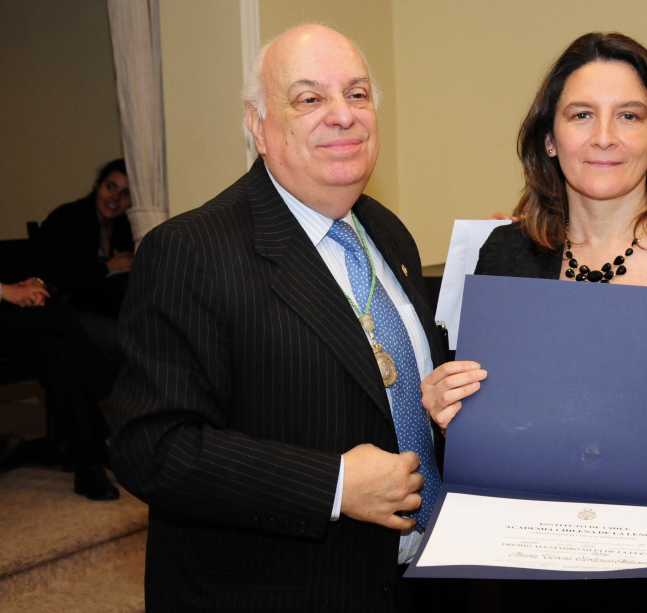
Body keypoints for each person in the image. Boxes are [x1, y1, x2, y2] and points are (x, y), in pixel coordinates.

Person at [421, 32, 647, 608]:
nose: (603, 137)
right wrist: (451, 412)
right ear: (549, 139)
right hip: (533, 577)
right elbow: (490, 436)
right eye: (580, 115)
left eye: (628, 115)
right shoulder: (505, 255)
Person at [111, 24, 450, 611]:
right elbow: (151, 448)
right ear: (257, 125)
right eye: (309, 98)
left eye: (358, 94)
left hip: (415, 578)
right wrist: (335, 486)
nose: (343, 116)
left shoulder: (388, 231)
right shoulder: (191, 250)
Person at [0, 206, 118, 500]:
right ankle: (99, 422)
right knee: (58, 318)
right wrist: (3, 292)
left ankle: (87, 465)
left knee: (51, 348)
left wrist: (29, 283)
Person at [35, 158, 134, 364]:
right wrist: (108, 267)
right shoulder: (68, 219)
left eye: (125, 194)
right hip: (67, 309)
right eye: (110, 187)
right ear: (98, 186)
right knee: (130, 343)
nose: (116, 197)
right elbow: (57, 277)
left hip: (109, 308)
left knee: (158, 335)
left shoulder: (125, 227)